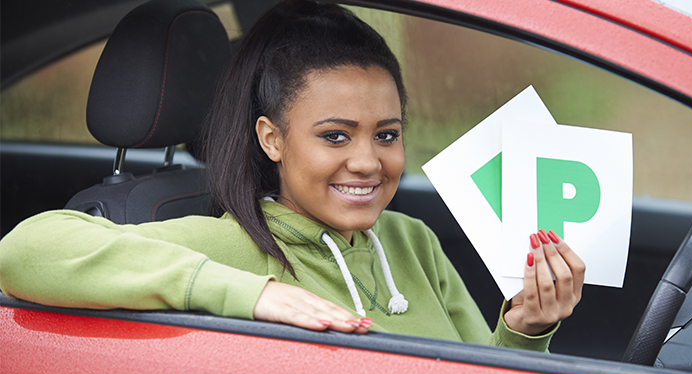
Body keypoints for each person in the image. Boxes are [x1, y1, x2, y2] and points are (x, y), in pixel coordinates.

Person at [0, 0, 584, 351]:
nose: (367, 161)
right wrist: (257, 296)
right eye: (335, 135)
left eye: (386, 134)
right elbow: (25, 251)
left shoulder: (412, 242)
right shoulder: (233, 244)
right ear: (271, 139)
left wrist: (525, 328)